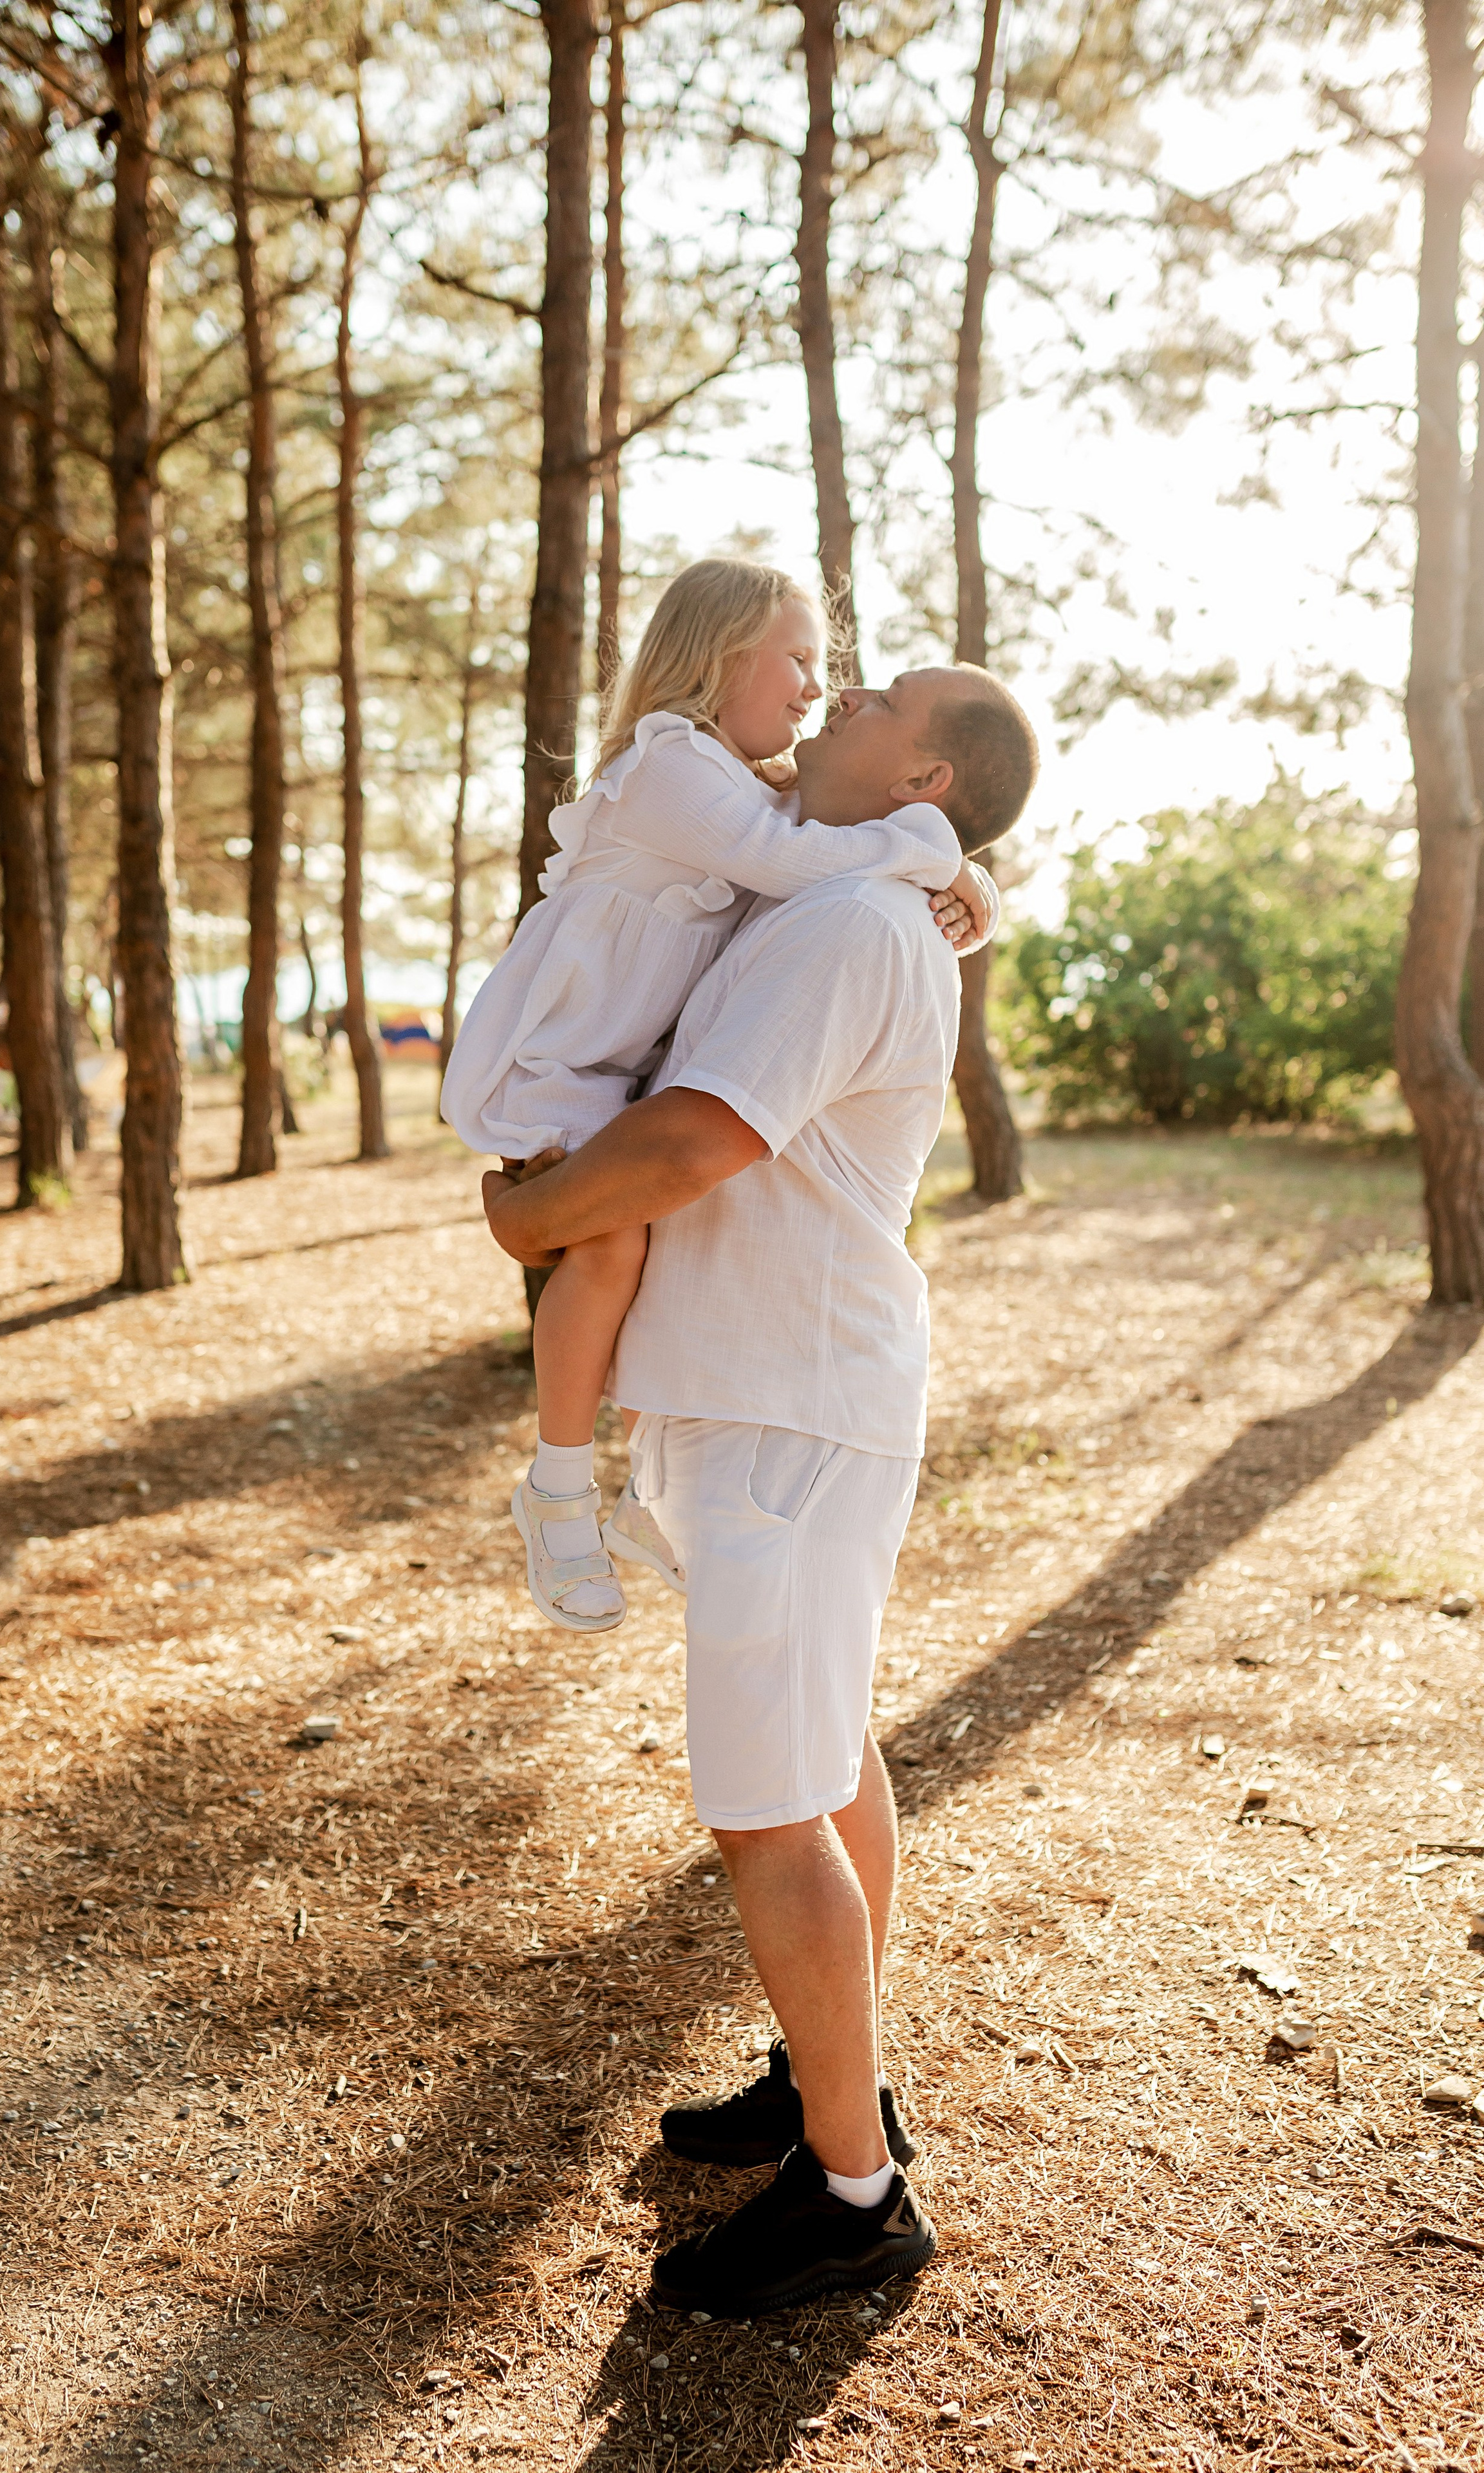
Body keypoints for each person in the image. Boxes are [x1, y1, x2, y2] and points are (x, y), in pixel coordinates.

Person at [483, 660, 1040, 2318]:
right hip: (775, 1387)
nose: (842, 690)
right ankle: (830, 2079)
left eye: (877, 695)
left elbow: (696, 1139)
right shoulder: (853, 902)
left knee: (760, 1800)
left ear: (921, 772)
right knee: (821, 1746)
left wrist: (527, 1223)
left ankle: (854, 2196)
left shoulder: (852, 929)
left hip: (790, 1399)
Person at [443, 558, 996, 1635]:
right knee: (608, 1248)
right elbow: (798, 860)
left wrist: (967, 870)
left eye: (824, 665)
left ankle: (647, 1499)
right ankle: (556, 1489)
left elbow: (848, 823)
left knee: (666, 1250)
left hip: (621, 1066)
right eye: (796, 658)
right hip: (559, 1057)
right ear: (715, 658)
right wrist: (937, 857)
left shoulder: (750, 782)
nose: (814, 687)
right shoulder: (670, 768)